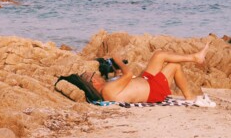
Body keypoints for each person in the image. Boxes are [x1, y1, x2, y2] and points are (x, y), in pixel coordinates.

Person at [82, 42, 210, 103]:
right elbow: (128, 74)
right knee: (174, 66)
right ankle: (189, 96)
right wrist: (118, 60)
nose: (97, 74)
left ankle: (195, 57)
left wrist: (115, 69)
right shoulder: (107, 90)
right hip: (152, 90)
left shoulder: (107, 87)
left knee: (159, 55)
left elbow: (125, 80)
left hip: (145, 81)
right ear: (94, 81)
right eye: (94, 74)